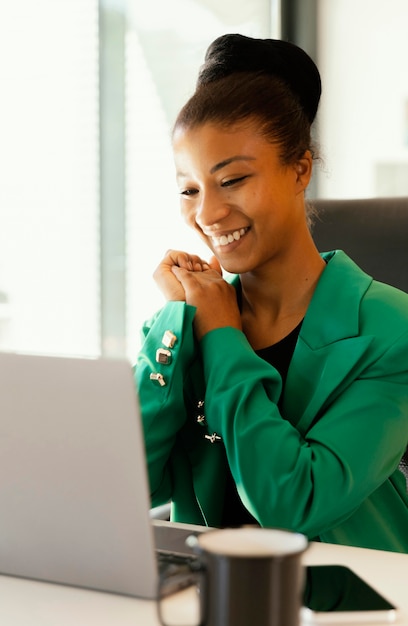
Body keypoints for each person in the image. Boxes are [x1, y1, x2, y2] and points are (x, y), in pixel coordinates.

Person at [135, 33, 408, 552]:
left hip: (352, 601)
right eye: (189, 189)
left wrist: (220, 334)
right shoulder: (185, 321)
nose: (208, 214)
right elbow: (128, 483)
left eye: (233, 180)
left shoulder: (392, 331)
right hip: (210, 595)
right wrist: (176, 321)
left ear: (300, 169)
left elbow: (293, 505)